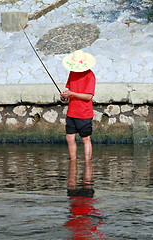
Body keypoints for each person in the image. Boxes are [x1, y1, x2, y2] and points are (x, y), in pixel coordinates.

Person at [60, 50, 96, 192]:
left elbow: (88, 97)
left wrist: (72, 94)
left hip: (84, 113)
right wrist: (65, 96)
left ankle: (87, 166)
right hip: (72, 111)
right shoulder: (72, 73)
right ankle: (73, 163)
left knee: (85, 139)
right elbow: (68, 88)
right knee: (69, 138)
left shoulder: (90, 76)